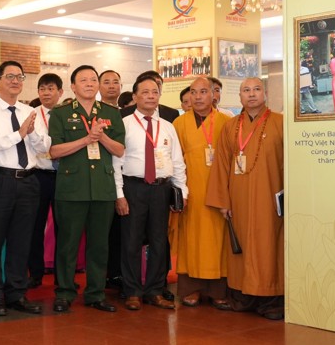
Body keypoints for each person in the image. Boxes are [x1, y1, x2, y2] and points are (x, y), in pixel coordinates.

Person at [48, 65, 125, 313]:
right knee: (68, 244)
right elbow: (55, 151)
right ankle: (65, 292)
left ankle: (95, 293)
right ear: (73, 86)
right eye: (84, 80)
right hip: (72, 187)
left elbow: (120, 150)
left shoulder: (111, 113)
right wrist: (86, 139)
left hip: (102, 188)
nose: (90, 83)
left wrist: (101, 137)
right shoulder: (60, 114)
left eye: (93, 79)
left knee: (99, 244)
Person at [206, 77, 284, 320]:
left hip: (269, 197)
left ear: (266, 93)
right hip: (237, 199)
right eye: (246, 90)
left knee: (268, 245)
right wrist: (223, 201)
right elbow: (220, 165)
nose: (252, 94)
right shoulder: (230, 127)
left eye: (257, 89)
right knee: (240, 247)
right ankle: (242, 297)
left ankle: (271, 299)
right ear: (239, 96)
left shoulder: (281, 123)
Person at [0, 61, 46, 316]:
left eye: (20, 76)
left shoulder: (30, 110)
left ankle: (17, 292)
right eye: (10, 76)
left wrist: (33, 133)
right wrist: (19, 133)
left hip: (28, 180)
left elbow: (42, 146)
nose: (15, 81)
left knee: (21, 240)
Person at [113, 75, 187, 311]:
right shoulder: (123, 124)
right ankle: (132, 291)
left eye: (154, 92)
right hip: (132, 187)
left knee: (158, 241)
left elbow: (177, 161)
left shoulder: (167, 126)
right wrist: (119, 194)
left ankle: (155, 290)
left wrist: (182, 190)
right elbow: (116, 161)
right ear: (134, 97)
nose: (150, 96)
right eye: (144, 92)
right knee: (131, 241)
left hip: (161, 189)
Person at [173, 77, 232, 309]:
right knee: (191, 241)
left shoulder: (227, 122)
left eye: (203, 92)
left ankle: (218, 291)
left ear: (214, 95)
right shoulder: (179, 123)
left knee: (219, 241)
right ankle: (191, 289)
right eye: (194, 92)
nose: (198, 97)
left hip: (218, 192)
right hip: (191, 192)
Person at [29, 73, 63, 287]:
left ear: (60, 92)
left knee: (64, 228)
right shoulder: (31, 114)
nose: (46, 93)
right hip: (39, 176)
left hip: (64, 177)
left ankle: (63, 276)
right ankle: (35, 273)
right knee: (35, 226)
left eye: (51, 88)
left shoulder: (68, 115)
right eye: (42, 88)